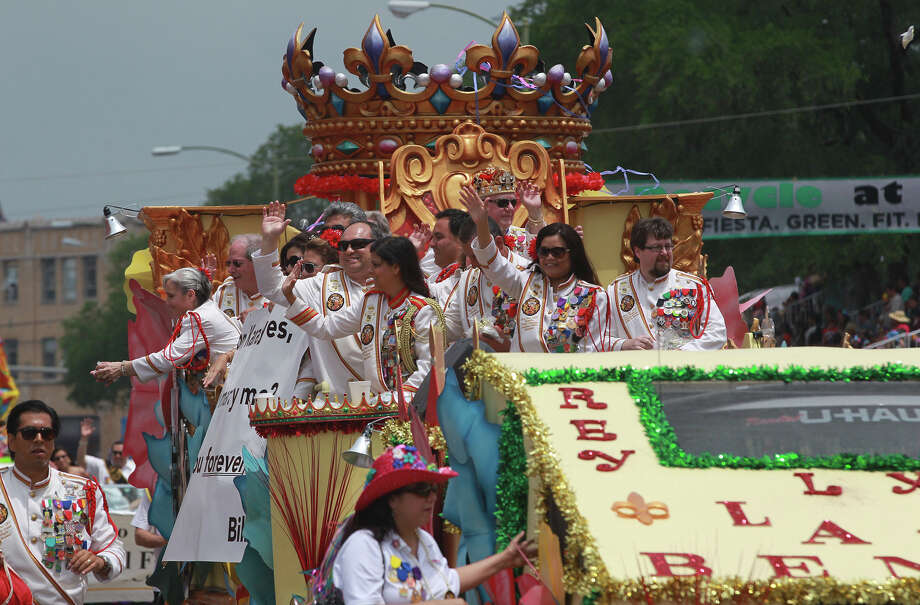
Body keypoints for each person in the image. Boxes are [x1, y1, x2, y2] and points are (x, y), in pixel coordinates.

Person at [331, 444, 535, 605]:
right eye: (421, 489)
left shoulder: (423, 540)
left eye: (433, 489)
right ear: (392, 499)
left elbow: (447, 580)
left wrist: (505, 559)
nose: (431, 497)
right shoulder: (364, 546)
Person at [282, 236, 444, 398]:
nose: (370, 271)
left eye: (376, 265)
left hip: (410, 409)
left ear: (395, 267)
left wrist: (396, 399)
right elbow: (326, 328)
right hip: (377, 406)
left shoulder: (424, 310)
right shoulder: (371, 303)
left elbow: (431, 367)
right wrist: (291, 297)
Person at [255, 202, 385, 398]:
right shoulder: (320, 284)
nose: (349, 250)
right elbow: (271, 288)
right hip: (336, 410)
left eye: (357, 244)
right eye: (343, 244)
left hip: (388, 405)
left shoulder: (391, 284)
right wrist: (269, 240)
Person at [0, 400, 125, 603]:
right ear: (12, 441)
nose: (39, 439)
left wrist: (100, 561)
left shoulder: (84, 490)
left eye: (46, 433)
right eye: (30, 433)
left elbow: (113, 547)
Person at [461, 185, 611, 353]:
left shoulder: (594, 295)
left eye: (558, 252)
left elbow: (594, 349)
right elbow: (493, 264)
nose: (550, 258)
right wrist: (482, 223)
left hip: (567, 376)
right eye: (544, 251)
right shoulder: (524, 283)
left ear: (573, 253)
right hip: (520, 376)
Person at [91, 268, 241, 384]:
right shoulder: (207, 310)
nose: (167, 302)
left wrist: (121, 368)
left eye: (171, 296)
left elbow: (167, 358)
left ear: (190, 295)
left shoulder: (201, 318)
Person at [607, 217, 726, 351]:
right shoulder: (616, 291)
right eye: (657, 247)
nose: (664, 252)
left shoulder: (695, 286)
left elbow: (718, 332)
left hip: (684, 368)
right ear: (637, 251)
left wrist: (682, 353)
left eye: (668, 246)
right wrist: (624, 344)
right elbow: (599, 339)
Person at [443, 216, 524, 350]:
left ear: (498, 244)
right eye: (469, 256)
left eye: (476, 256)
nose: (473, 264)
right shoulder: (467, 278)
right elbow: (453, 323)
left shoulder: (526, 272)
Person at [472, 166, 546, 258]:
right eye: (503, 203)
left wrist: (534, 212)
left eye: (513, 202)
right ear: (482, 205)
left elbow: (539, 262)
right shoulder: (467, 240)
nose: (510, 208)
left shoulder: (522, 238)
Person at [211, 234, 268, 318]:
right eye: (228, 263)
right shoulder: (225, 291)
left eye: (237, 263)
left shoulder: (277, 293)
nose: (230, 270)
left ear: (257, 263)